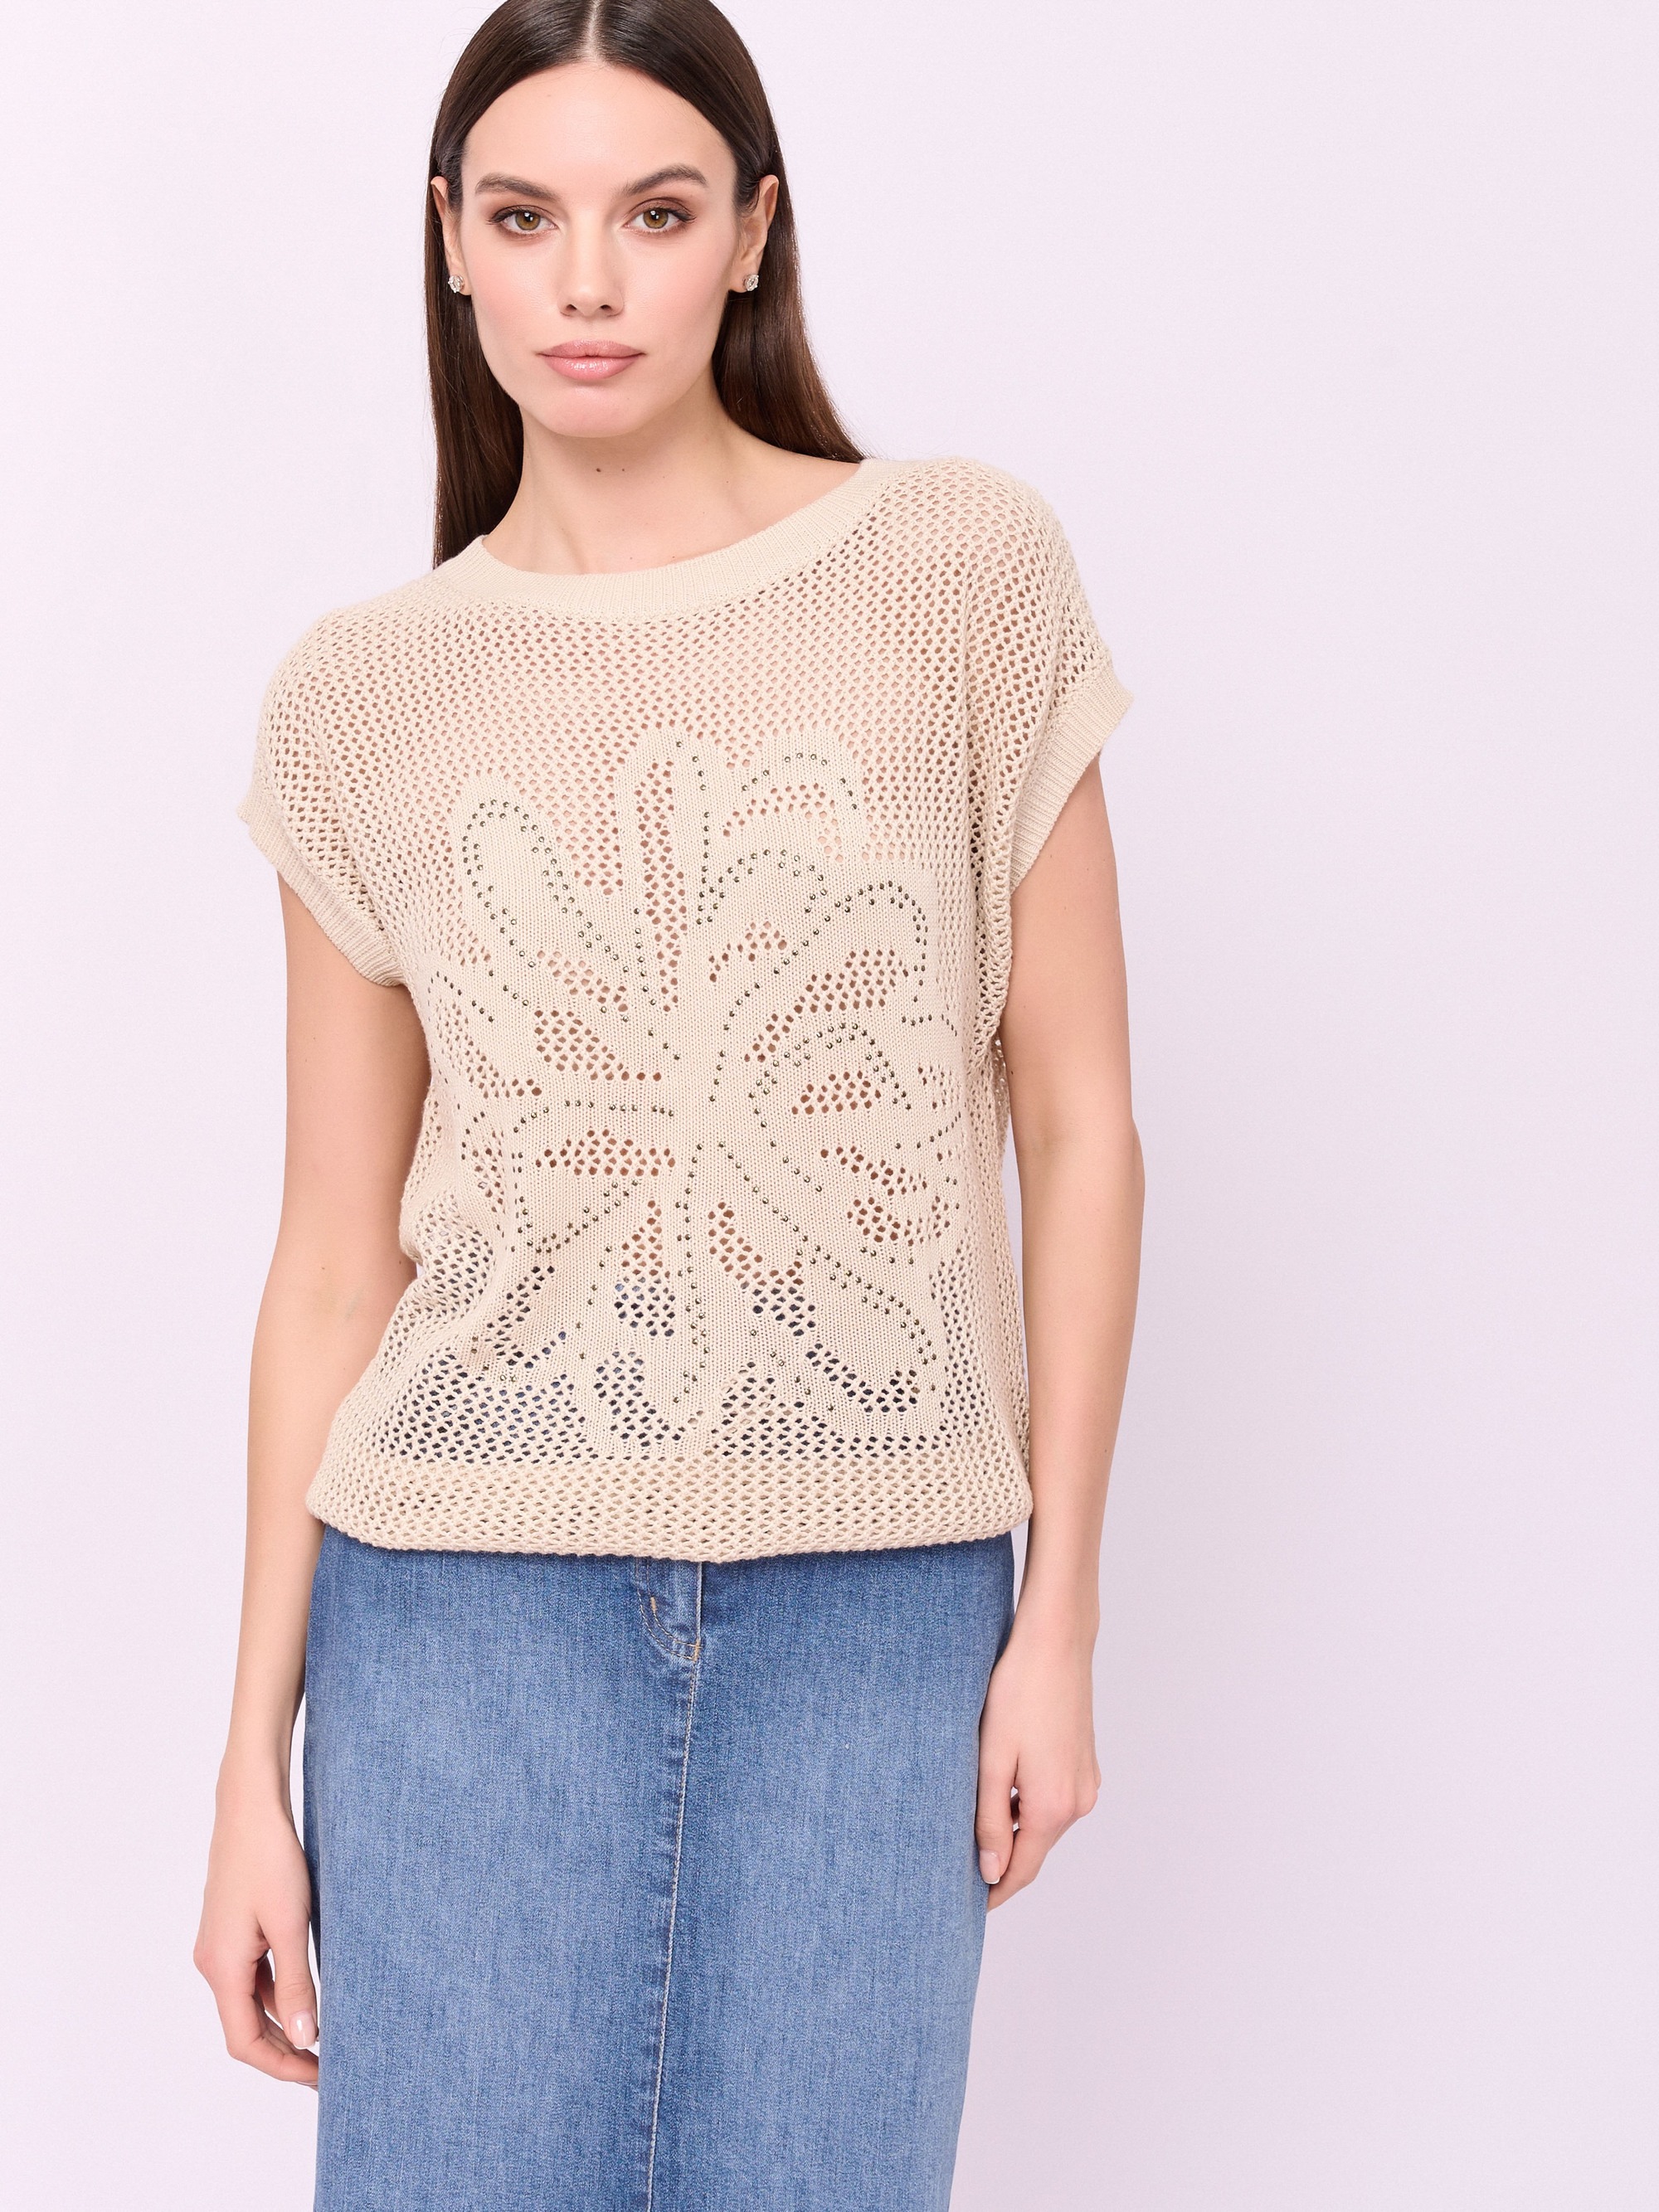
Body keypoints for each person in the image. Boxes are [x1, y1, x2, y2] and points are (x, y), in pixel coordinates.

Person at [192, 2, 1143, 2205]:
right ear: (451, 241)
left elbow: (1081, 1123)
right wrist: (251, 1761)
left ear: (754, 234)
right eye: (527, 219)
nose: (589, 282)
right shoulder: (363, 694)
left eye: (657, 212)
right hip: (457, 1621)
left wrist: (1061, 1615)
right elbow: (332, 1255)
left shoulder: (958, 576)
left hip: (882, 1596)